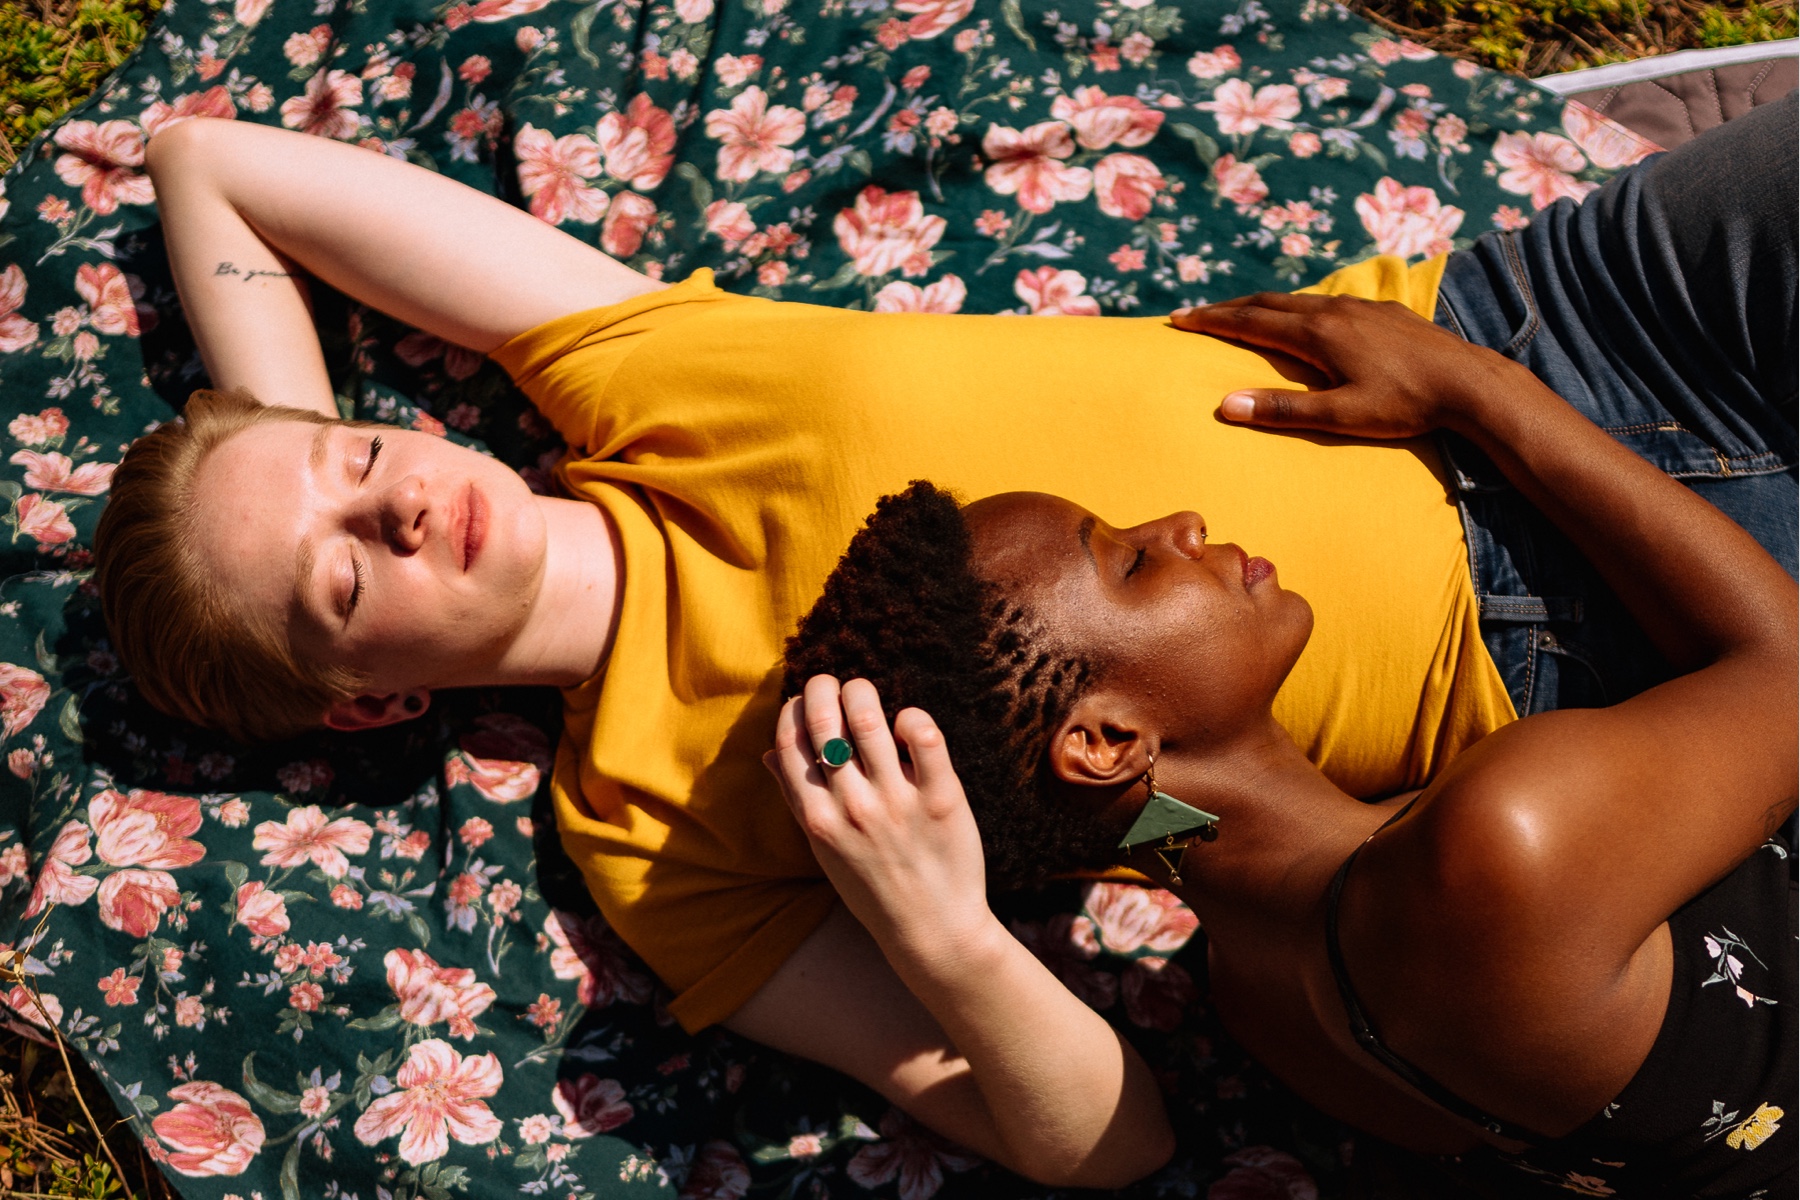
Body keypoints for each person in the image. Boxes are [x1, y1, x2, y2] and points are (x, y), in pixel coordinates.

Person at [91, 91, 1793, 1185]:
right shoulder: (653, 839)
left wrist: (262, 465)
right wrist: (950, 936)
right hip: (1619, 676)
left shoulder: (622, 369)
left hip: (1530, 325)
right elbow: (1108, 1143)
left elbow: (212, 159)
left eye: (362, 463)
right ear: (375, 696)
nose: (388, 511)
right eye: (337, 579)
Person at [769, 300, 1796, 1198]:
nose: (1181, 522)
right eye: (1128, 560)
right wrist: (1475, 386)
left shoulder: (1255, 997)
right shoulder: (1499, 849)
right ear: (1108, 742)